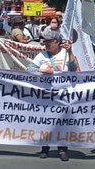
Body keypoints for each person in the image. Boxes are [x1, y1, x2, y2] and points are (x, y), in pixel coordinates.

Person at [29, 29, 76, 161]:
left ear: (57, 42)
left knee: (62, 122)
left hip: (62, 95)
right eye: (45, 41)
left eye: (49, 41)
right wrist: (41, 70)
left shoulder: (66, 54)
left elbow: (73, 69)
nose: (46, 44)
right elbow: (29, 69)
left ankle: (62, 149)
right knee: (46, 122)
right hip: (45, 95)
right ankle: (45, 148)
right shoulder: (41, 55)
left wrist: (70, 52)